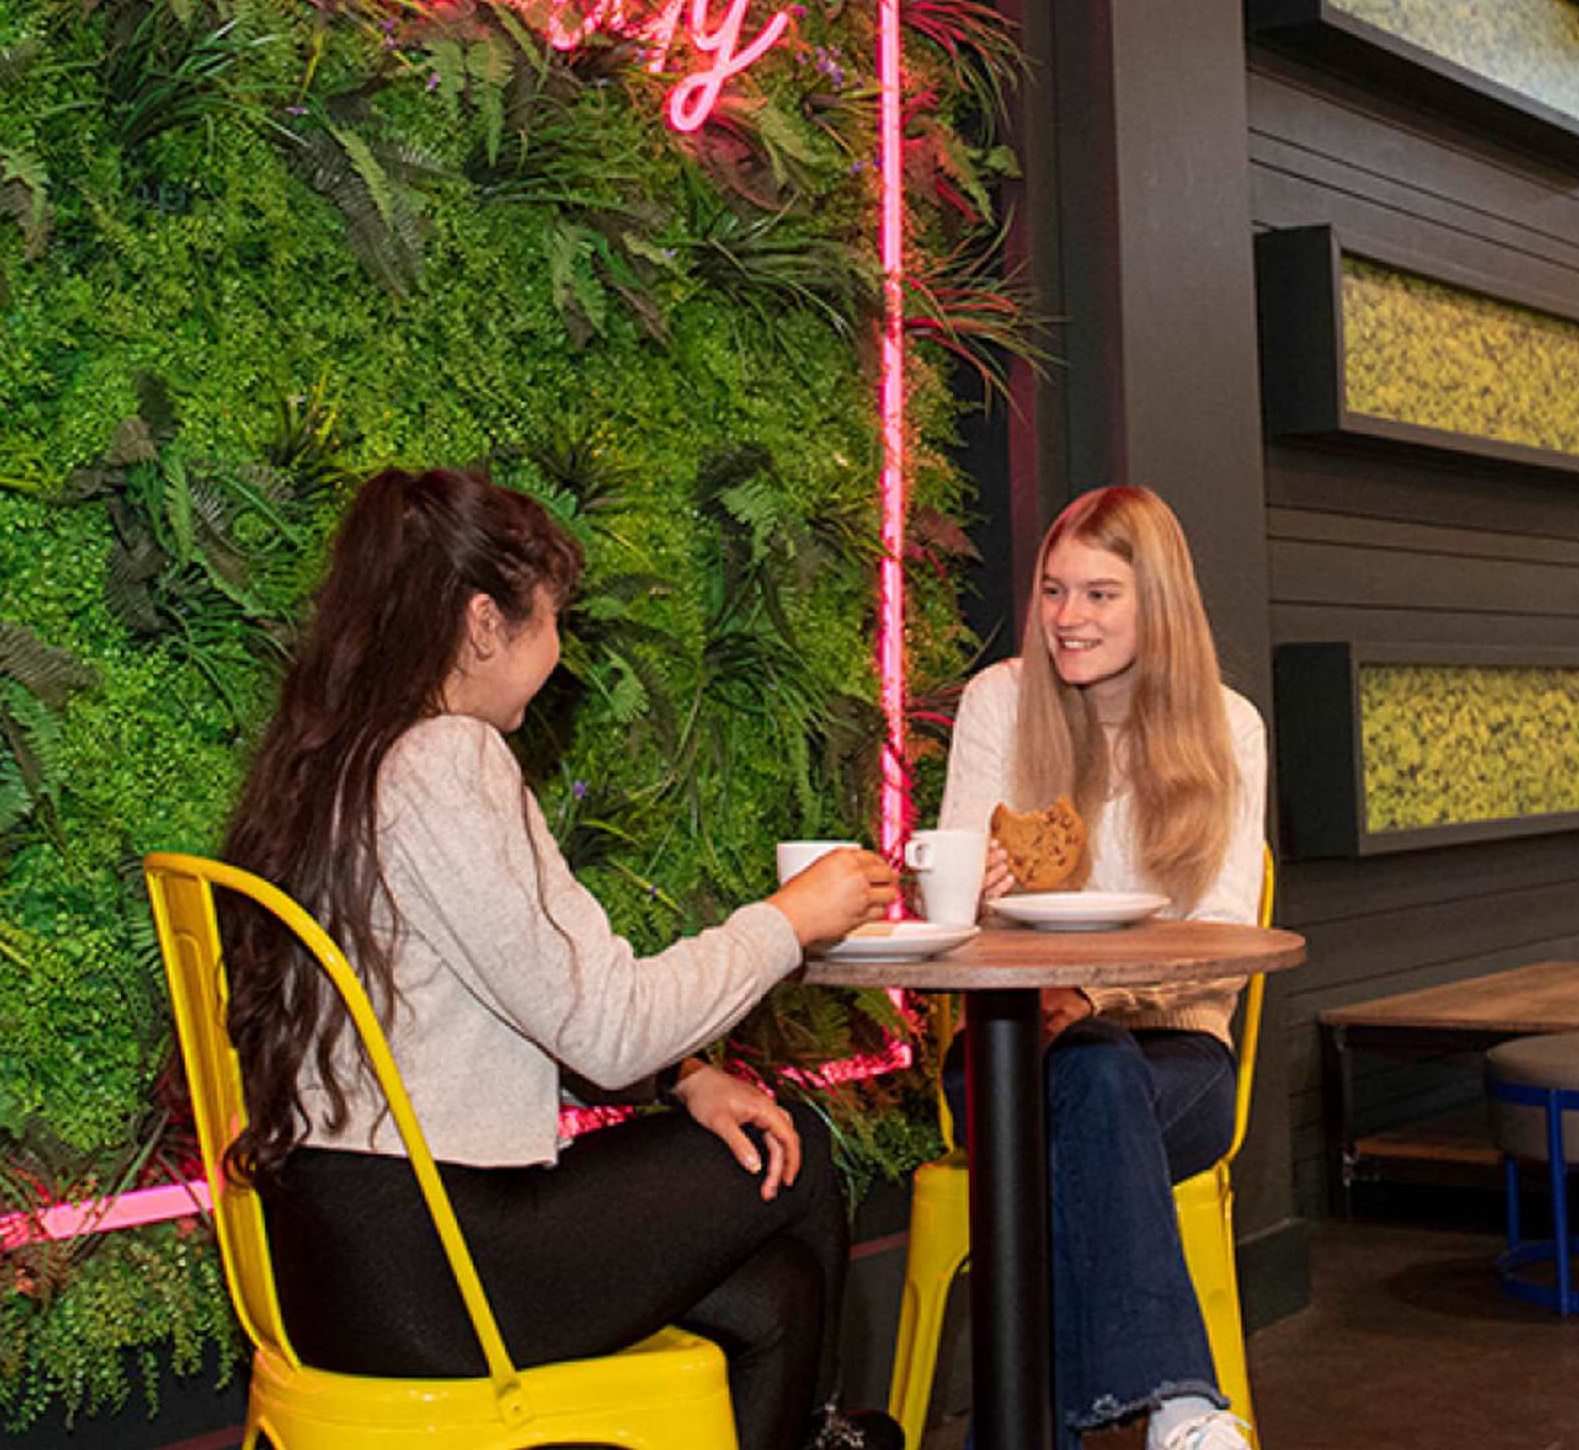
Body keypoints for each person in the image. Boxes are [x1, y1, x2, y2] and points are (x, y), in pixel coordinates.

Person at [214, 469, 906, 1450]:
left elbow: (517, 995)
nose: (558, 655)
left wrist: (687, 1077)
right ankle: (827, 1437)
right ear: (484, 621)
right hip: (432, 1266)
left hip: (340, 1257)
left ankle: (817, 1435)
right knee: (799, 1150)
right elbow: (606, 1025)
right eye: (552, 624)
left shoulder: (337, 760)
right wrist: (791, 920)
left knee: (772, 1294)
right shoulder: (444, 760)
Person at [938, 485, 1268, 1450]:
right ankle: (1181, 1407)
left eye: (1098, 595)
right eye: (1052, 591)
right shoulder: (1000, 702)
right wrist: (971, 892)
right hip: (1005, 1050)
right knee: (1084, 1090)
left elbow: (1226, 938)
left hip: (1177, 1055)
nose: (1067, 619)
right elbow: (949, 907)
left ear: (1156, 602)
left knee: (1097, 1076)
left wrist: (1097, 994)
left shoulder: (1228, 726)